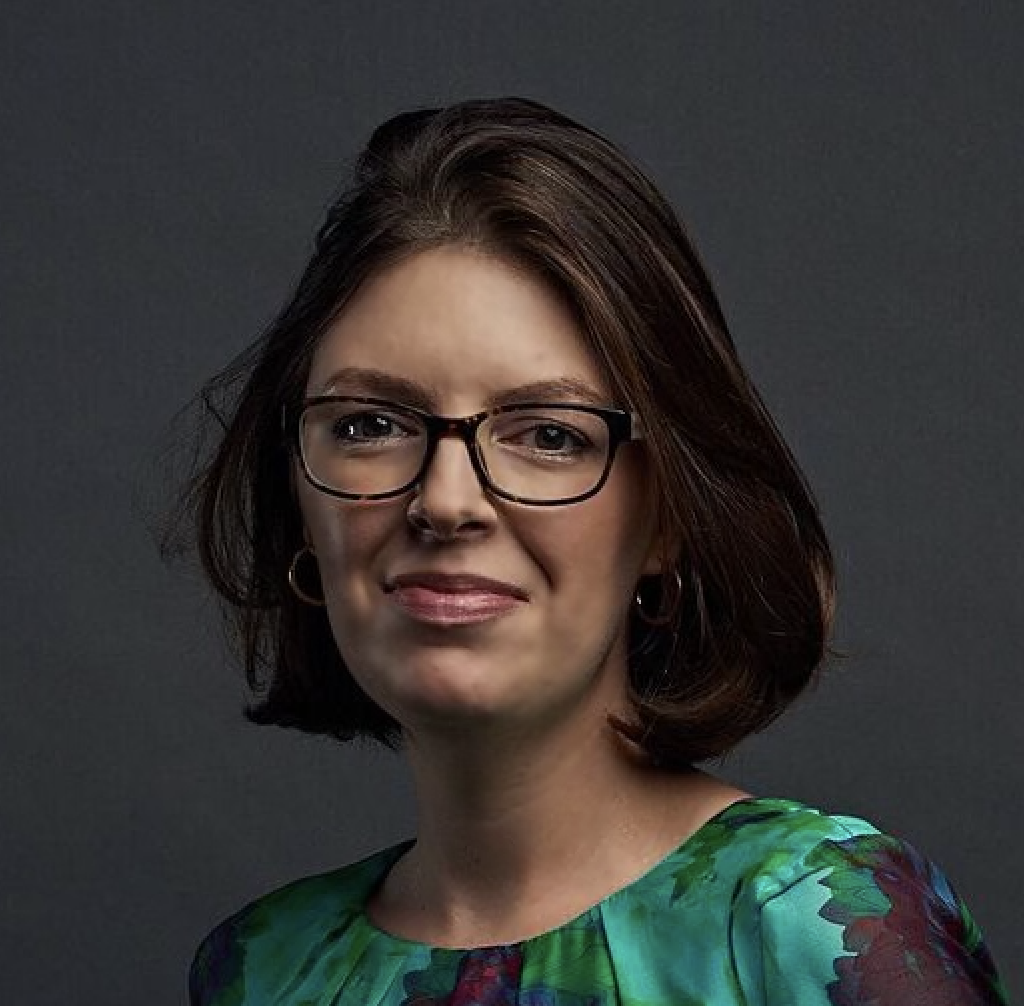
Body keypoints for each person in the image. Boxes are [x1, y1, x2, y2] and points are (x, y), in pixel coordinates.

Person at [181, 97, 1007, 1004]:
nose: (445, 502)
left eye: (549, 435)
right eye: (371, 423)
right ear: (299, 496)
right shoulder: (264, 968)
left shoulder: (814, 919)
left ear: (667, 519)